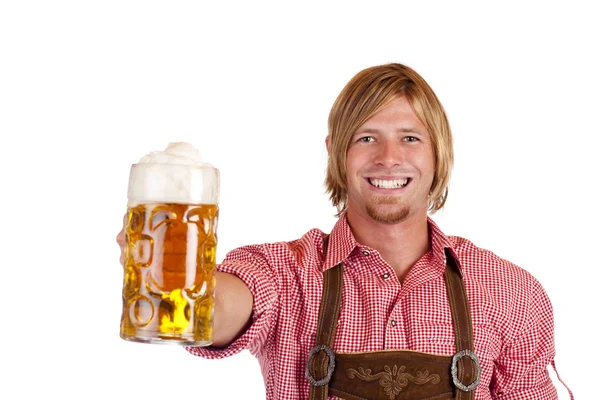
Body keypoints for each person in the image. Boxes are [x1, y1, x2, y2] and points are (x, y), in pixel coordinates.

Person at [118, 63, 571, 399]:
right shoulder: (285, 272)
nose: (388, 157)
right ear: (337, 152)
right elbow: (217, 312)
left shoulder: (511, 291)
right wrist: (172, 274)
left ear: (439, 154)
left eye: (410, 137)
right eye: (366, 137)